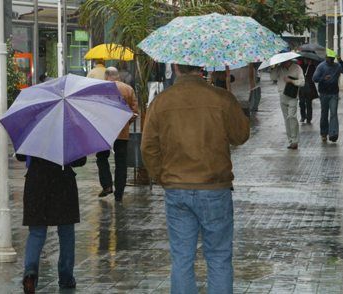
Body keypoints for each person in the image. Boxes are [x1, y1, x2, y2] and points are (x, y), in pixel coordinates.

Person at [141, 64, 250, 294]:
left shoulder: (161, 102)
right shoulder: (221, 98)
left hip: (177, 187)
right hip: (215, 187)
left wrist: (163, 176)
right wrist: (229, 103)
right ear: (201, 66)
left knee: (181, 258)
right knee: (219, 257)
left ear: (174, 67)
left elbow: (148, 147)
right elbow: (241, 136)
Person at [17, 154, 87, 293]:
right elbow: (80, 160)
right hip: (63, 183)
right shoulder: (69, 132)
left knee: (36, 233)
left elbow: (20, 155)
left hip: (36, 182)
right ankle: (66, 277)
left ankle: (30, 273)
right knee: (66, 232)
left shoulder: (34, 132)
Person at [96, 67, 139, 202]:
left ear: (107, 76)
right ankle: (119, 194)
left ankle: (107, 185)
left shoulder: (101, 89)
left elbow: (95, 109)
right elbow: (134, 111)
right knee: (121, 162)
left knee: (102, 158)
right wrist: (126, 123)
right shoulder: (128, 89)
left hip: (104, 130)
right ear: (117, 76)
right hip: (122, 131)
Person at [313, 49, 343, 143]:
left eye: (333, 59)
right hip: (324, 93)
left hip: (334, 93)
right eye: (330, 58)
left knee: (333, 113)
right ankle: (324, 133)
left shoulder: (337, 66)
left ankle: (333, 133)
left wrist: (341, 61)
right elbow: (314, 78)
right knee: (324, 113)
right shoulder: (321, 66)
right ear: (326, 58)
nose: (331, 60)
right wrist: (323, 78)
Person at [271, 59, 305, 149]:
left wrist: (291, 81)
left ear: (289, 60)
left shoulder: (297, 68)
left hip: (292, 96)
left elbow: (302, 82)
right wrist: (274, 67)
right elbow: (273, 77)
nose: (284, 62)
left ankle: (295, 141)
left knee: (292, 117)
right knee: (286, 119)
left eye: (286, 61)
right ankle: (290, 141)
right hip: (282, 95)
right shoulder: (279, 68)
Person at [298, 58, 320, 124]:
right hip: (301, 87)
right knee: (301, 103)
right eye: (306, 60)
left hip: (309, 87)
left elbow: (314, 77)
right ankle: (303, 116)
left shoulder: (312, 67)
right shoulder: (301, 66)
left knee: (308, 103)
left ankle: (309, 118)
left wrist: (311, 66)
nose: (307, 61)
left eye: (308, 60)